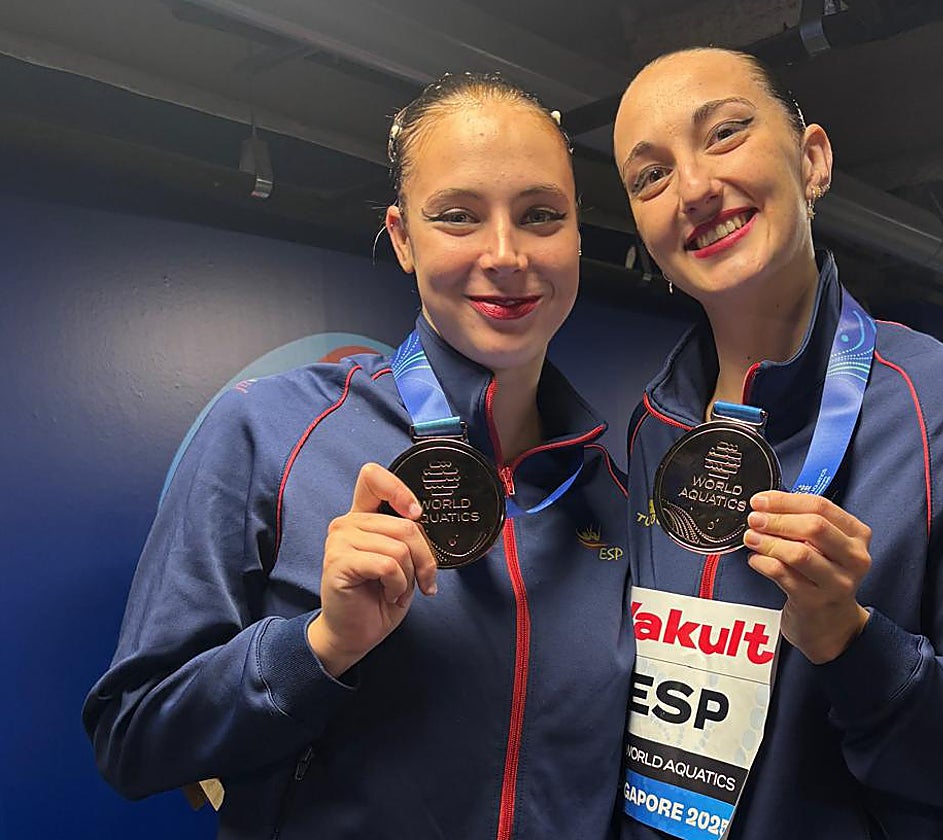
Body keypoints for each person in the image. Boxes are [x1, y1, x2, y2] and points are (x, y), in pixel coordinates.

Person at [84, 73, 632, 840]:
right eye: (457, 216)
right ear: (403, 238)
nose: (506, 255)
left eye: (541, 215)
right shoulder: (270, 429)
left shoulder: (611, 487)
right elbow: (132, 736)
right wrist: (321, 646)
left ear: (575, 235)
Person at [611, 47, 943, 839]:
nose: (692, 189)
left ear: (813, 161)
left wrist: (852, 643)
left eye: (724, 133)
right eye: (650, 175)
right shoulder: (653, 427)